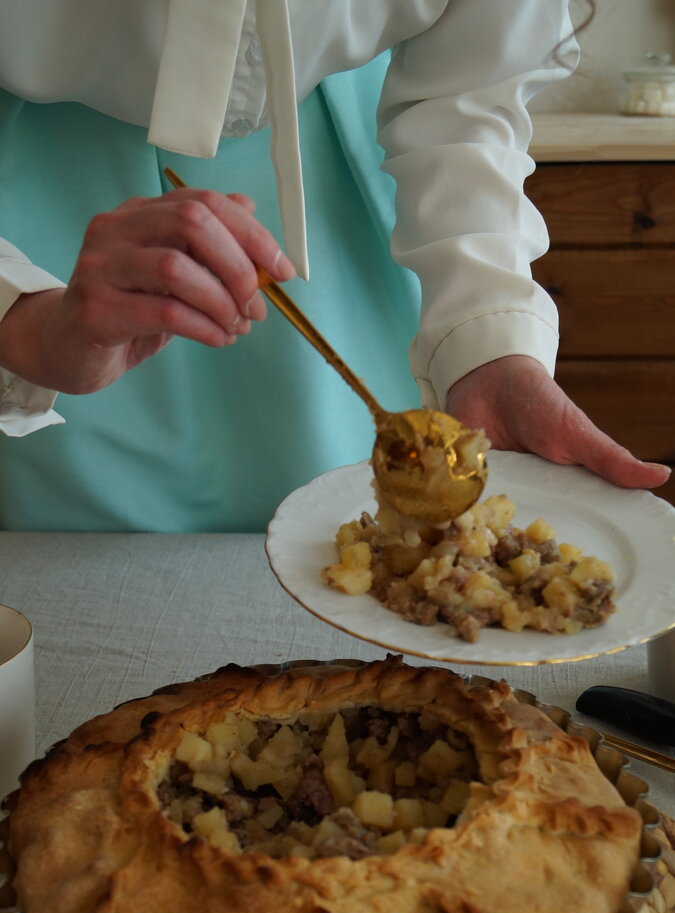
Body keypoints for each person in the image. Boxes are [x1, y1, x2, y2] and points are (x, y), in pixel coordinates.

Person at [0, 1, 668, 532]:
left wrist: (486, 341)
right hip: (33, 219)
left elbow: (470, 99)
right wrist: (23, 324)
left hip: (349, 197)